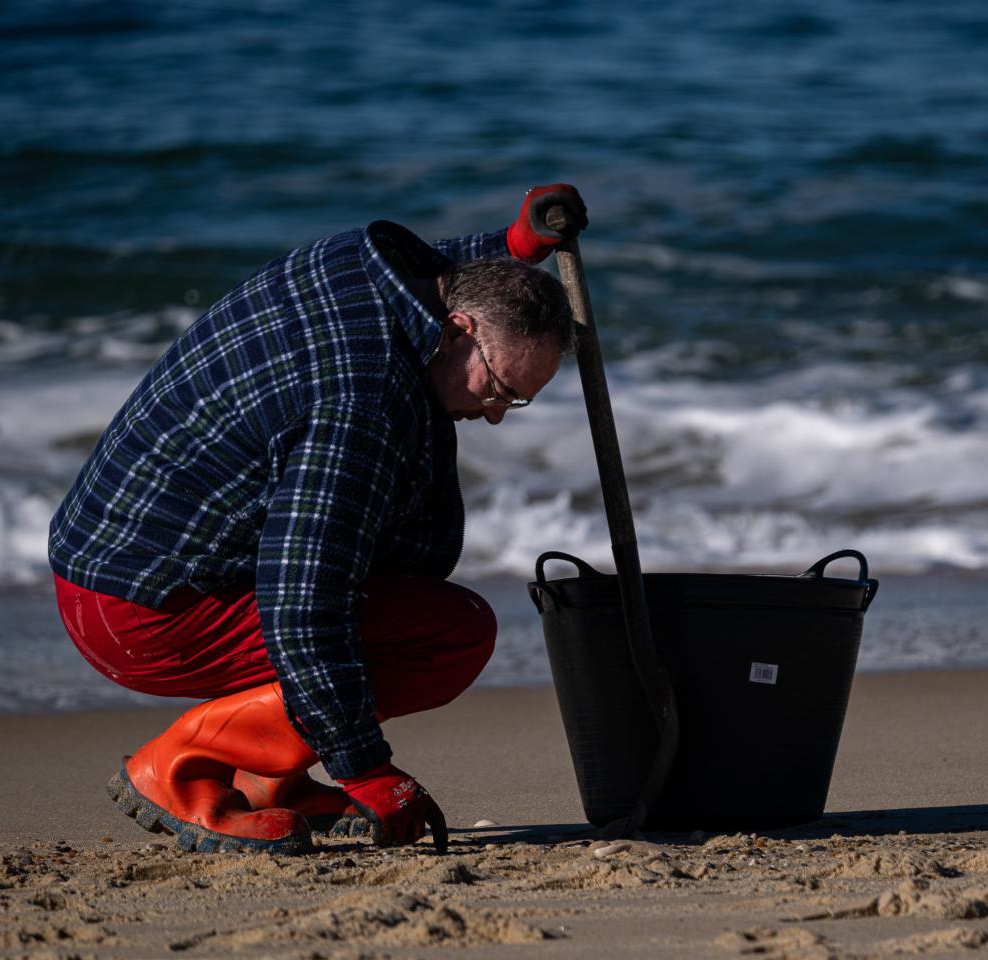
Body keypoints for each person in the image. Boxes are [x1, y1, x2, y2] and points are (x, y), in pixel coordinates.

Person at [47, 184, 588, 854]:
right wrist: (364, 766)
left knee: (392, 574)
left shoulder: (364, 268)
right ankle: (181, 766)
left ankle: (272, 777)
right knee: (450, 635)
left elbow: (444, 275)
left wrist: (514, 246)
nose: (499, 412)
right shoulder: (361, 399)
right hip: (141, 610)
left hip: (123, 552)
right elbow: (302, 605)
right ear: (460, 332)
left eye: (520, 401)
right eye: (502, 389)